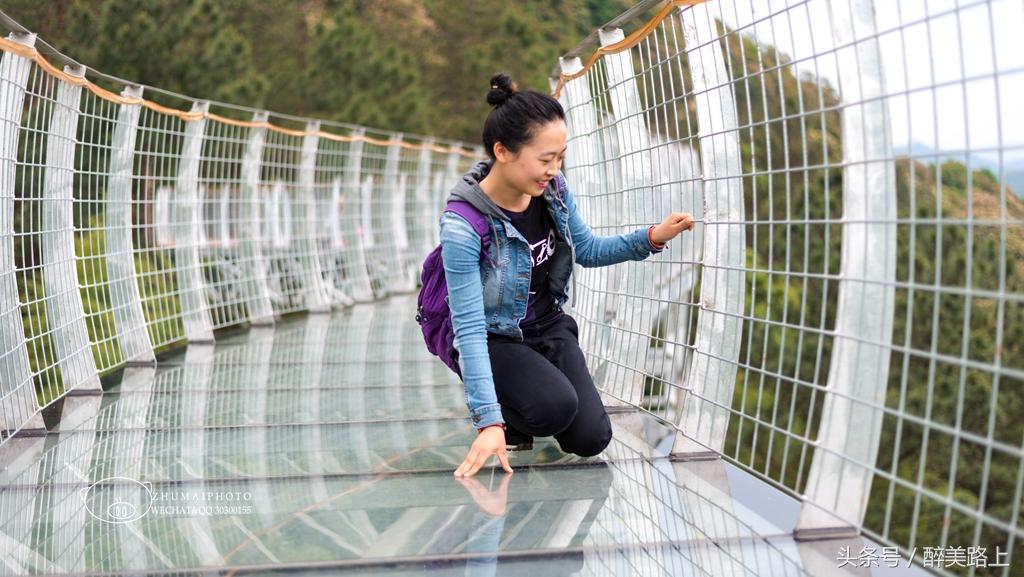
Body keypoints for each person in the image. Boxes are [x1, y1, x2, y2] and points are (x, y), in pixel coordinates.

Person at [440, 73, 694, 478]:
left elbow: (588, 250)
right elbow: (468, 329)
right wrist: (488, 421)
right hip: (496, 339)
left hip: (549, 328)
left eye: (560, 157)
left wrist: (652, 237)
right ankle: (511, 413)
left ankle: (529, 402)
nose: (554, 170)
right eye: (545, 159)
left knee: (590, 438)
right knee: (552, 407)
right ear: (502, 151)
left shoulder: (554, 191)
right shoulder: (463, 224)